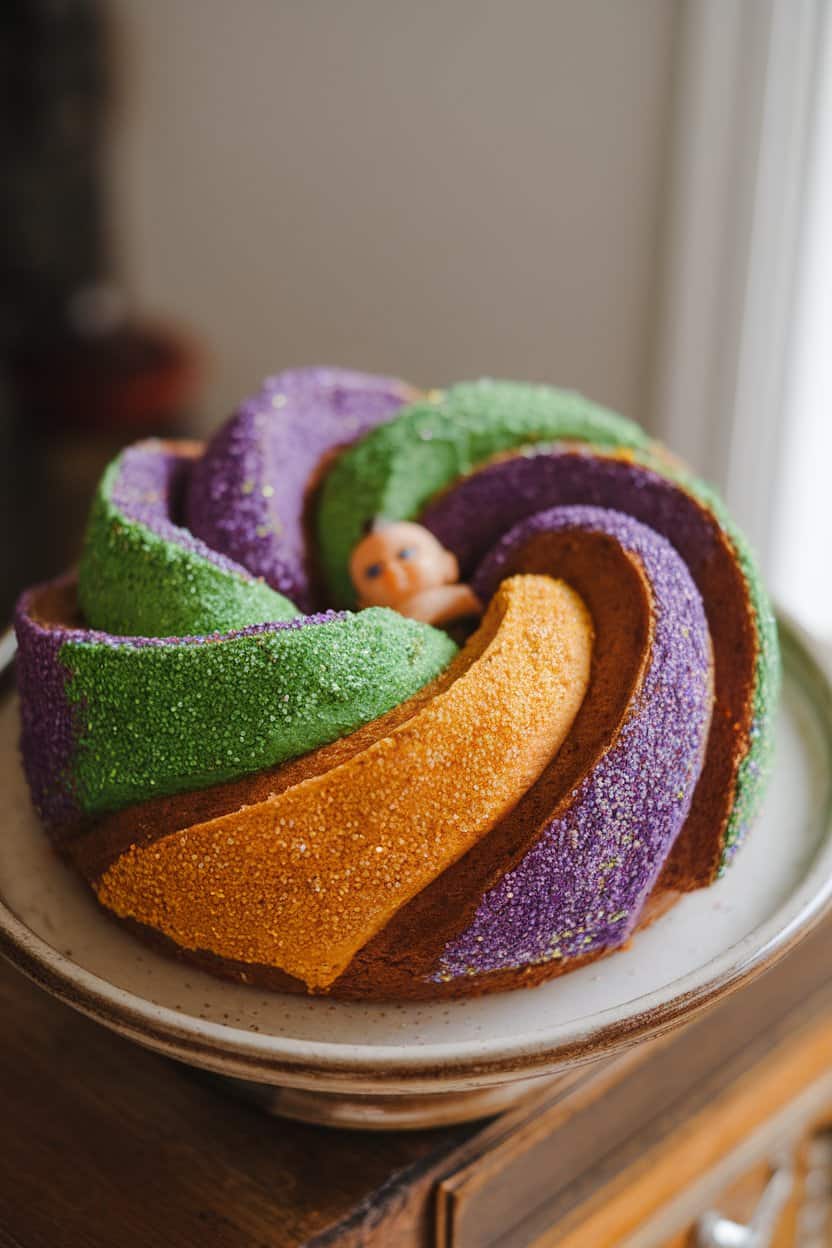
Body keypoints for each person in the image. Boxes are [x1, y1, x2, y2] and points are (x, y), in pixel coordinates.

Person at [348, 520, 483, 626]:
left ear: (448, 564)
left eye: (405, 554)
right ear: (365, 604)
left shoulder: (469, 595)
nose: (391, 571)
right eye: (374, 571)